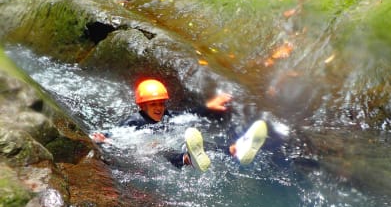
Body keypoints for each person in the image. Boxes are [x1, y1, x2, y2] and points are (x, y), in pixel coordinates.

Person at [91, 78, 267, 171]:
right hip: (141, 151)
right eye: (153, 105)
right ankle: (187, 160)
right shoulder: (134, 121)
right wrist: (103, 138)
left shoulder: (167, 116)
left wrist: (208, 106)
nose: (159, 108)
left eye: (161, 103)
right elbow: (116, 134)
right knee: (158, 147)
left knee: (200, 141)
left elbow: (187, 115)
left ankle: (234, 150)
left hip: (164, 142)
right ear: (142, 106)